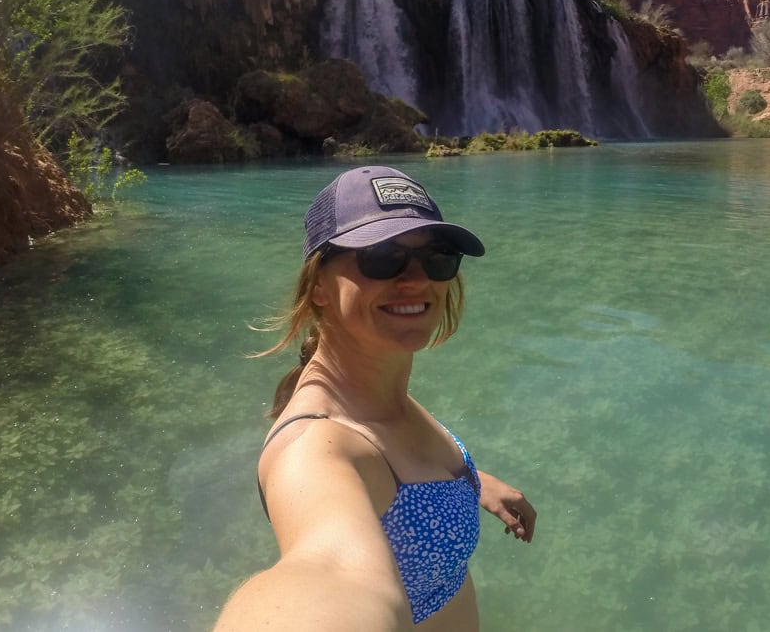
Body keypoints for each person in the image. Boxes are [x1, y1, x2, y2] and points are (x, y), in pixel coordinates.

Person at [215, 165, 536, 631]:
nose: (416, 279)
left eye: (438, 256)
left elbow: (397, 475)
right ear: (318, 285)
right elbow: (327, 572)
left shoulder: (376, 389)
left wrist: (467, 482)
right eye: (382, 257)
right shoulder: (316, 449)